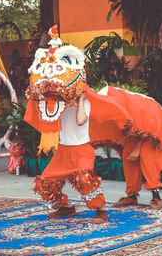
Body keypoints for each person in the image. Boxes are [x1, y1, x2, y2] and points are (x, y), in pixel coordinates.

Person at [27, 91, 108, 224]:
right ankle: (66, 207)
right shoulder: (57, 104)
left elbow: (81, 120)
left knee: (84, 180)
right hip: (63, 150)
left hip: (81, 150)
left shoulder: (85, 102)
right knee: (44, 184)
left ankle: (100, 209)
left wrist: (81, 100)